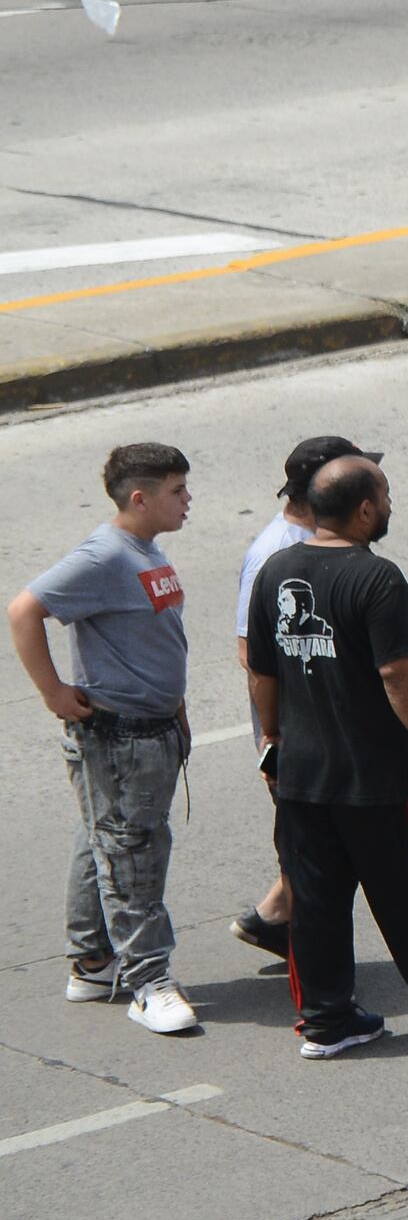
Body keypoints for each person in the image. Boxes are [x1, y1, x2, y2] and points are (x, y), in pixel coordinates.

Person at [244, 455, 408, 1053]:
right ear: (366, 508)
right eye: (387, 496)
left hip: (301, 777)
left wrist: (271, 740)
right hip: (379, 779)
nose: (391, 506)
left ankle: (326, 1021)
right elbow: (397, 672)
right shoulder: (377, 579)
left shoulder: (274, 570)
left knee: (315, 903)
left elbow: (261, 671)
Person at [21, 440, 202, 1036]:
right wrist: (53, 692)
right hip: (117, 736)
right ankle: (148, 980)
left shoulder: (144, 550)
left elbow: (155, 638)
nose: (187, 500)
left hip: (152, 730)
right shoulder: (104, 555)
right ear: (140, 497)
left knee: (100, 838)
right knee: (132, 857)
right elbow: (25, 610)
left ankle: (93, 961)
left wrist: (174, 706)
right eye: (177, 491)